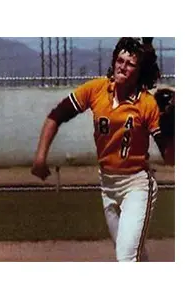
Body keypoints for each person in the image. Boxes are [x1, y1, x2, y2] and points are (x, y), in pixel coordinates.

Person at [31, 37, 168, 262]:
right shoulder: (97, 89)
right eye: (120, 60)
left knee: (125, 257)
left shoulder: (146, 103)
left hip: (137, 186)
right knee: (134, 254)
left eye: (130, 63)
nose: (122, 66)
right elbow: (56, 116)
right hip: (107, 186)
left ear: (139, 70)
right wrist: (40, 157)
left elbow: (170, 158)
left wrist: (172, 129)